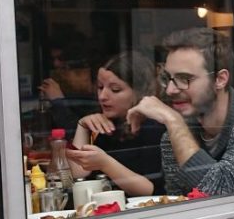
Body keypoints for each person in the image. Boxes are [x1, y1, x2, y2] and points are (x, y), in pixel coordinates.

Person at [127, 28, 234, 195]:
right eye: (168, 79)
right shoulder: (174, 135)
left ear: (220, 79)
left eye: (184, 78)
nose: (170, 90)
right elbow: (180, 202)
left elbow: (220, 190)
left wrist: (173, 121)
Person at [65, 52, 166, 196]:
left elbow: (151, 190)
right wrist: (82, 127)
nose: (103, 96)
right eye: (100, 87)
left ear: (139, 92)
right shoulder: (108, 125)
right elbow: (79, 174)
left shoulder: (154, 128)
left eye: (115, 90)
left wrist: (105, 163)